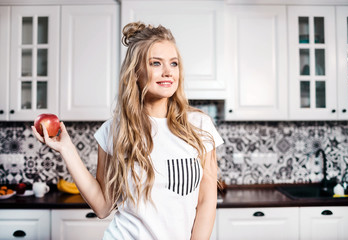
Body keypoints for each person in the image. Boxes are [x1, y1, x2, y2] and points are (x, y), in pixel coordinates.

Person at [32, 21, 224, 240]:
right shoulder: (114, 130)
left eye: (173, 63)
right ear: (135, 73)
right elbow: (103, 207)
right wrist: (66, 149)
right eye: (155, 63)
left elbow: (206, 200)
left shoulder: (200, 126)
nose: (168, 72)